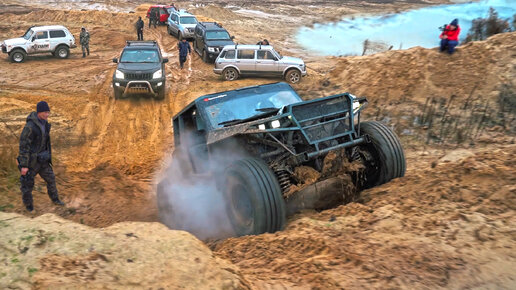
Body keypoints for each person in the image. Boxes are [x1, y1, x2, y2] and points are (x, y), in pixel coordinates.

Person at [17, 101, 64, 212]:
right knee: (27, 184)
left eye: (48, 112)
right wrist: (24, 165)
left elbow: (45, 142)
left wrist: (47, 155)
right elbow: (24, 146)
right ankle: (28, 206)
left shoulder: (45, 124)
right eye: (45, 112)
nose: (47, 115)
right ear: (39, 112)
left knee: (51, 179)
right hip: (32, 162)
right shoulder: (30, 127)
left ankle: (55, 199)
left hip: (43, 160)